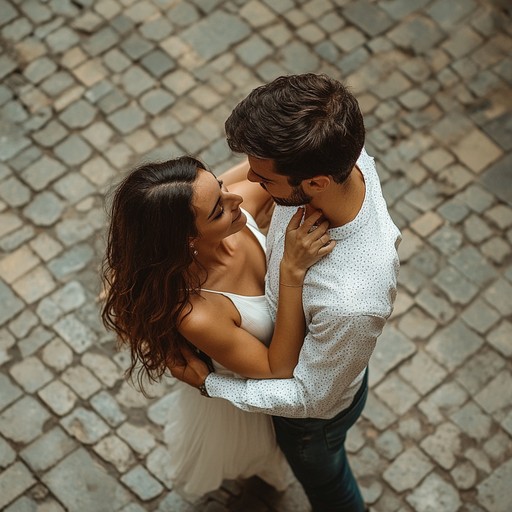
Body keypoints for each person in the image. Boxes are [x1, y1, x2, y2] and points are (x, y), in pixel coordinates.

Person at [169, 73, 402, 512]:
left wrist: (211, 384)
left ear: (314, 183)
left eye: (263, 179)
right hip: (333, 363)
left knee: (331, 489)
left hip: (313, 425)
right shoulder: (339, 153)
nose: (247, 186)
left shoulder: (350, 301)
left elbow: (312, 396)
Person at [101, 155, 335, 500]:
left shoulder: (234, 210)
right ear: (185, 240)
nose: (236, 198)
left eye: (220, 185)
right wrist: (291, 272)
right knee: (260, 455)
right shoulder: (197, 312)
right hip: (250, 393)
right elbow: (277, 367)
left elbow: (274, 160)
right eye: (218, 210)